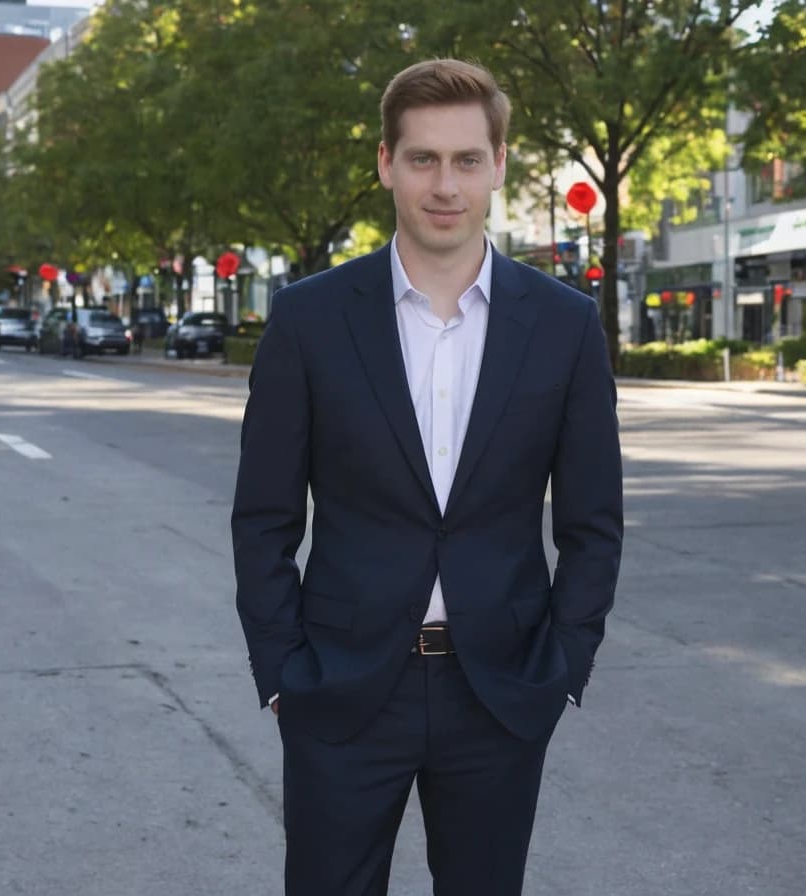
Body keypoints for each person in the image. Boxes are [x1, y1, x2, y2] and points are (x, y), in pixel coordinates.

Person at [231, 58, 623, 896]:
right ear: (385, 163)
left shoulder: (564, 326)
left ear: (500, 166)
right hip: (339, 689)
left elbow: (593, 523)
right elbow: (264, 517)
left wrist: (564, 669)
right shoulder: (308, 319)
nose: (445, 185)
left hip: (500, 693)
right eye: (422, 159)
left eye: (467, 160)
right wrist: (283, 674)